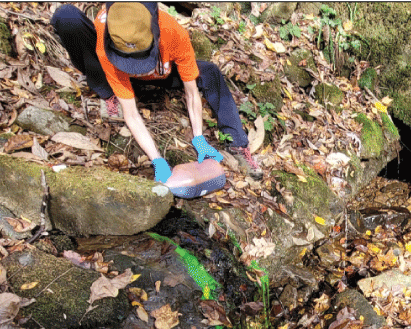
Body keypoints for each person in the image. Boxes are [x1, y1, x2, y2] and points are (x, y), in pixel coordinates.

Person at [50, 2, 261, 198]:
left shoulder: (173, 32)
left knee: (210, 72)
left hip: (162, 73)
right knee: (66, 16)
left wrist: (198, 138)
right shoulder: (105, 45)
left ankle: (237, 143)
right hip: (119, 74)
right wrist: (157, 159)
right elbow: (131, 114)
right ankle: (108, 92)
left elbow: (191, 92)